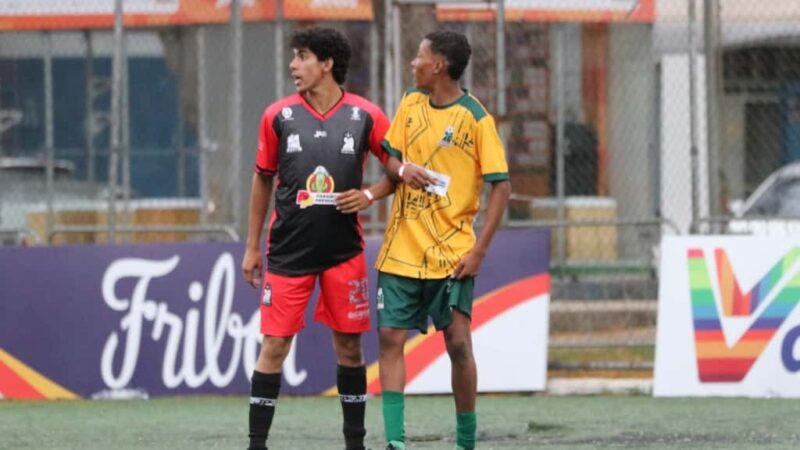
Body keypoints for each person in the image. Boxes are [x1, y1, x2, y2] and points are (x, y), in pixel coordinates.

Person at [241, 27, 394, 450]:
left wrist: (369, 195)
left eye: (302, 56)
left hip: (343, 252)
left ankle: (354, 443)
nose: (294, 65)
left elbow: (399, 172)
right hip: (288, 250)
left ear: (326, 64)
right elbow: (262, 180)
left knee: (348, 346)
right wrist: (252, 246)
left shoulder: (366, 115)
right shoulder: (277, 116)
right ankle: (257, 444)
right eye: (294, 56)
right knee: (274, 345)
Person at [374, 30, 511, 450]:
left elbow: (501, 186)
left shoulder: (476, 118)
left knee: (458, 345)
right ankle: (395, 442)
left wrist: (479, 251)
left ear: (439, 66)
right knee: (391, 339)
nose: (413, 63)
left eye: (419, 56)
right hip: (400, 249)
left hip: (451, 255)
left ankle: (466, 440)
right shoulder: (411, 103)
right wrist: (400, 171)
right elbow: (390, 156)